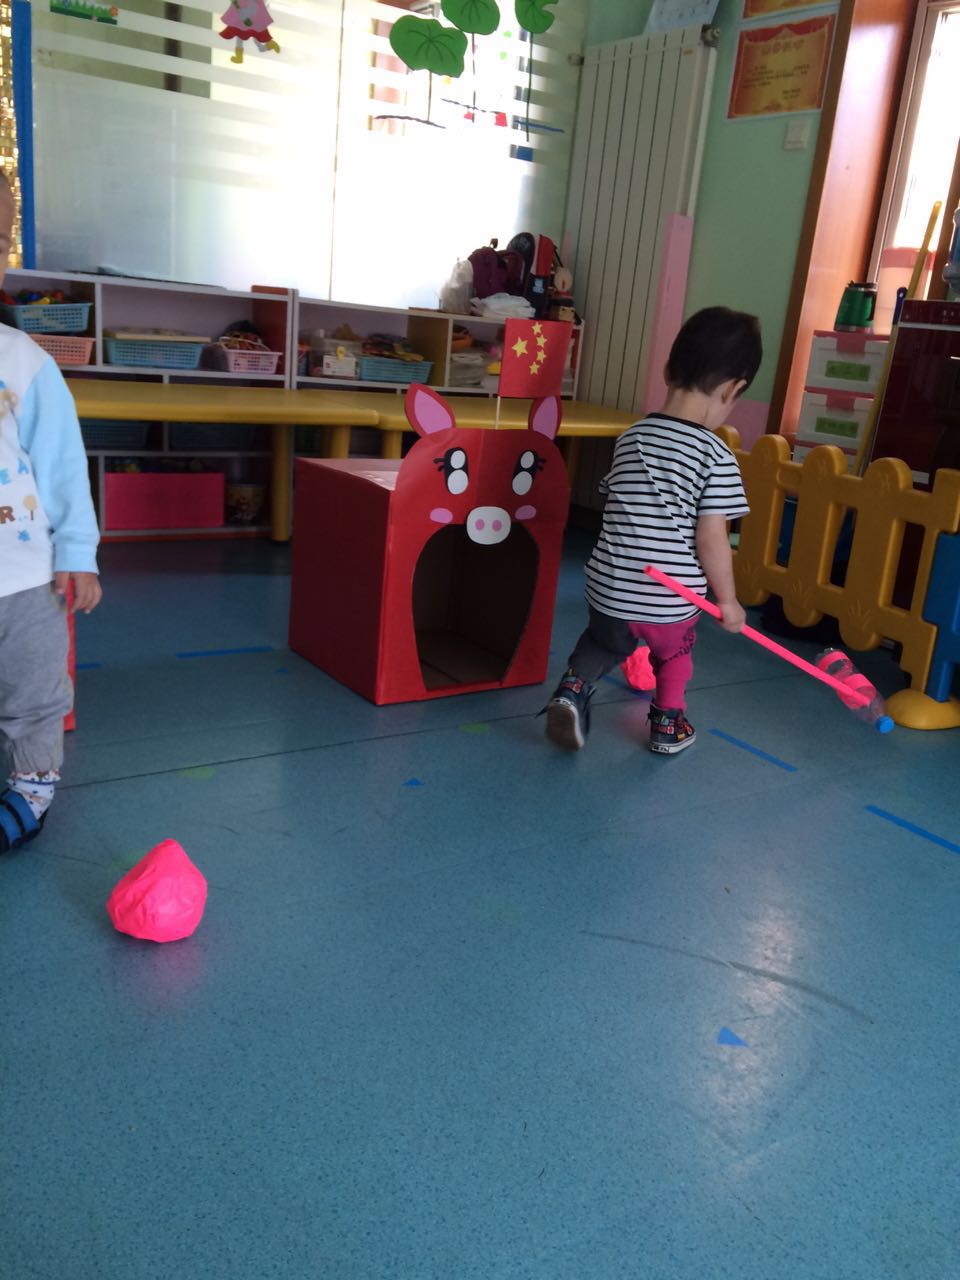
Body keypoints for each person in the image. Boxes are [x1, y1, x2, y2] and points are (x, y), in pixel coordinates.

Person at [545, 306, 761, 756]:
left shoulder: (631, 437)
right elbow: (712, 538)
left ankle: (571, 689)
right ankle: (667, 723)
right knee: (674, 655)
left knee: (601, 642)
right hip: (669, 599)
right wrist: (727, 600)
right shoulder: (716, 456)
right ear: (732, 389)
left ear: (667, 370)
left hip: (609, 586)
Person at [0, 170, 101, 852]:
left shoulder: (23, 362)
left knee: (33, 690)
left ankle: (32, 787)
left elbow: (64, 467)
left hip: (25, 578)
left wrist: (77, 556)